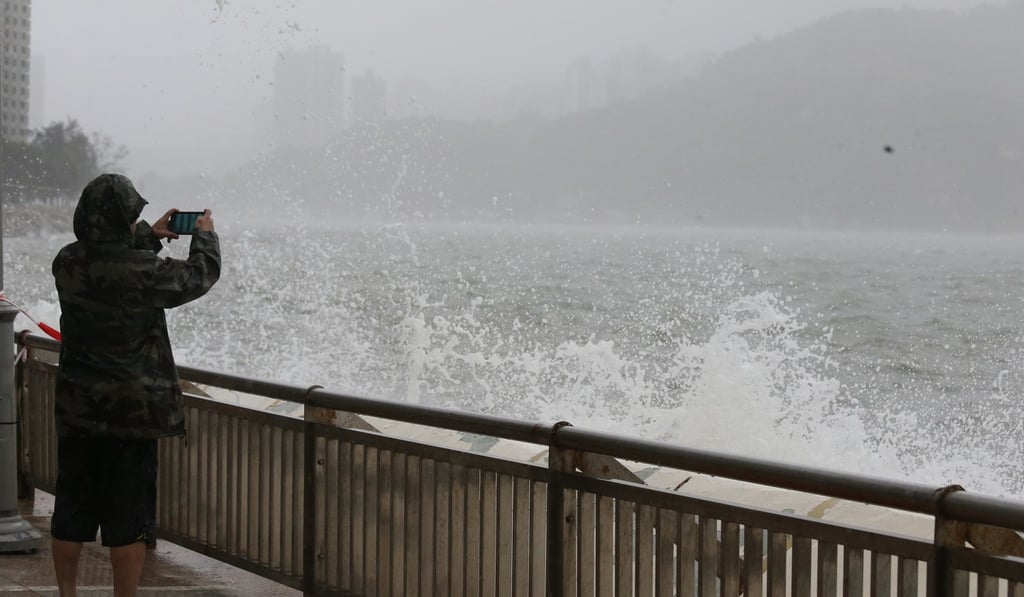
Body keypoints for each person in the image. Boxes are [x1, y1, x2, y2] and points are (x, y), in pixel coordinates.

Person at [49, 173, 221, 596]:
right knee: (128, 519)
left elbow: (108, 266)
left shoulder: (67, 261)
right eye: (132, 217)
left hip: (78, 410)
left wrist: (147, 235)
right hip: (130, 415)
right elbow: (198, 277)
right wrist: (205, 238)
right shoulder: (142, 270)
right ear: (119, 219)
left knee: (71, 509)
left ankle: (67, 594)